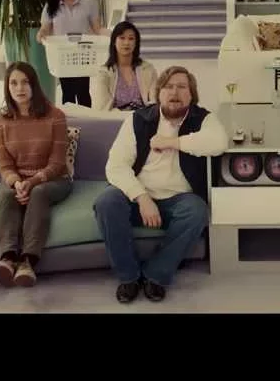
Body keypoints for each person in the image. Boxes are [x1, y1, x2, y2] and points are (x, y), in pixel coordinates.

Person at [93, 65, 228, 303]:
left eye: (182, 87)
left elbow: (218, 142)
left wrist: (171, 142)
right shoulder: (138, 120)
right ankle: (128, 277)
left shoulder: (203, 118)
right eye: (168, 87)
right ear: (159, 93)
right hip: (139, 197)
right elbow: (116, 166)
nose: (174, 92)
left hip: (179, 200)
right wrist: (142, 198)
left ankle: (155, 275)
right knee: (106, 202)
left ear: (191, 94)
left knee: (197, 211)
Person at [0, 62, 72, 287]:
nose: (20, 88)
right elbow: (5, 166)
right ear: (7, 87)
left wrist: (32, 182)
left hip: (55, 180)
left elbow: (57, 163)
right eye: (13, 83)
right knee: (7, 195)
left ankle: (28, 262)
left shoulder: (55, 115)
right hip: (18, 180)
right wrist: (17, 183)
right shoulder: (0, 121)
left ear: (34, 85)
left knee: (39, 193)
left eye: (25, 82)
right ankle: (7, 259)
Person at [37, 0, 107, 107]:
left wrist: (112, 34)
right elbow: (45, 28)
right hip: (63, 56)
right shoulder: (50, 7)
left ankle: (86, 119)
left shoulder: (87, 4)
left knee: (83, 92)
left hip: (83, 53)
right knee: (67, 92)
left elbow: (97, 28)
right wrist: (41, 33)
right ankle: (69, 119)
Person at [92, 21, 158, 111]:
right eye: (122, 38)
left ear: (136, 43)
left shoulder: (148, 69)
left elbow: (154, 102)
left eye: (131, 38)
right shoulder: (104, 72)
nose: (126, 43)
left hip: (142, 117)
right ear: (114, 41)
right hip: (114, 118)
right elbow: (102, 107)